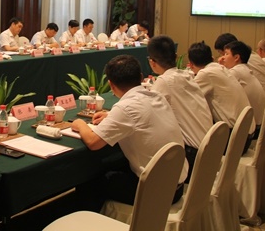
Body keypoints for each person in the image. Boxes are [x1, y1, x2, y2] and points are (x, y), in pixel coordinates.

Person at [71, 55, 187, 206]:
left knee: (89, 182)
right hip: (176, 184)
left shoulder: (125, 108)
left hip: (157, 192)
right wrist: (111, 115)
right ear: (141, 77)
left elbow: (93, 142)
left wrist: (80, 124)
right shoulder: (157, 96)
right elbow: (140, 116)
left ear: (111, 85)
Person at [147, 35, 212, 182]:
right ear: (176, 57)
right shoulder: (187, 76)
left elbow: (146, 113)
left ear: (152, 62)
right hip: (208, 152)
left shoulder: (164, 81)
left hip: (191, 158)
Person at [188, 41, 255, 150]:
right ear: (211, 58)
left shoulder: (205, 74)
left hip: (236, 140)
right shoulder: (220, 68)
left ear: (191, 64)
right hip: (246, 134)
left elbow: (189, 98)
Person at [220, 41, 265, 138]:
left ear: (236, 57)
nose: (223, 57)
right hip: (260, 126)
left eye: (226, 54)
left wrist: (220, 67)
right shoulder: (245, 69)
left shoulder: (236, 72)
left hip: (250, 130)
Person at [214, 33, 265, 98]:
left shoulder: (243, 64)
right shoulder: (251, 56)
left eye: (225, 54)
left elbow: (219, 83)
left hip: (264, 98)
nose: (222, 57)